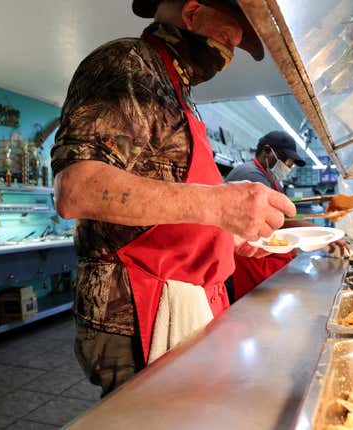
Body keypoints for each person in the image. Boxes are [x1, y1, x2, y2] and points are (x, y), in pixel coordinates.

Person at [51, 0, 296, 396]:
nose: (226, 57)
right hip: (135, 308)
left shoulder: (176, 90)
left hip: (189, 296)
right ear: (193, 11)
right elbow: (76, 189)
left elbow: (168, 195)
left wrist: (226, 236)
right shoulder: (127, 64)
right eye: (224, 39)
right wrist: (218, 205)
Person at [226, 131, 349, 301]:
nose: (288, 167)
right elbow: (279, 221)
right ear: (267, 151)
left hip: (261, 259)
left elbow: (283, 217)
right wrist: (321, 234)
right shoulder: (250, 176)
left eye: (290, 164)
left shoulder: (269, 178)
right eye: (286, 161)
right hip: (248, 260)